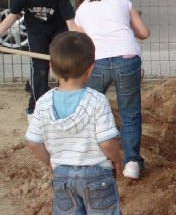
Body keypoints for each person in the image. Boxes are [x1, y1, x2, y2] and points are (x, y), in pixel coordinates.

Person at [25, 31, 122, 215]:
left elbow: (33, 142)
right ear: (90, 69)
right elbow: (107, 142)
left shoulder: (44, 102)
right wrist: (117, 159)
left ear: (51, 66)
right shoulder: (97, 101)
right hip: (97, 174)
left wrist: (50, 163)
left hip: (62, 176)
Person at [74, 0, 150, 180]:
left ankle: (96, 156)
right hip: (127, 59)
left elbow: (81, 42)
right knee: (130, 113)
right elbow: (144, 32)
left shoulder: (81, 10)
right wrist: (127, 28)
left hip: (96, 62)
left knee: (92, 110)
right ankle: (132, 162)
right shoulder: (123, 1)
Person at [0, 0, 76, 115]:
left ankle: (66, 105)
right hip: (36, 32)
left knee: (63, 67)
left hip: (58, 30)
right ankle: (36, 109)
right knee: (40, 69)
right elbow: (12, 16)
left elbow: (70, 22)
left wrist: (75, 45)